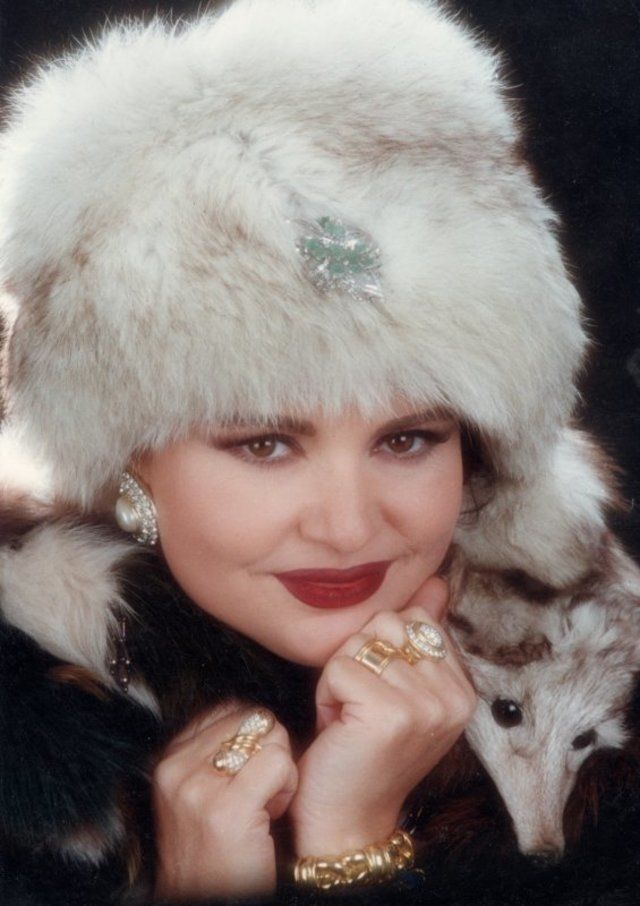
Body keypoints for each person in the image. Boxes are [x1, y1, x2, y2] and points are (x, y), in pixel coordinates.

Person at [0, 0, 633, 903]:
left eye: (408, 439)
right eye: (265, 444)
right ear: (132, 460)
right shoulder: (32, 745)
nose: (347, 527)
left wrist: (351, 843)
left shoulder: (601, 712)